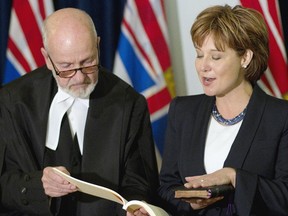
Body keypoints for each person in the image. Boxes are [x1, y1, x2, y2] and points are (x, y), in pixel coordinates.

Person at [0, 8, 159, 216]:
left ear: (98, 47)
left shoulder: (130, 104)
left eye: (88, 63)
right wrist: (38, 187)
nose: (79, 78)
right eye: (66, 68)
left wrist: (136, 208)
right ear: (47, 59)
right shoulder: (13, 101)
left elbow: (140, 183)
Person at [158, 4, 288, 216]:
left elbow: (284, 197)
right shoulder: (183, 111)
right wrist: (190, 203)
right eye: (199, 55)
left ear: (245, 58)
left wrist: (234, 177)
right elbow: (166, 188)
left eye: (215, 57)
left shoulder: (281, 117)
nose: (203, 66)